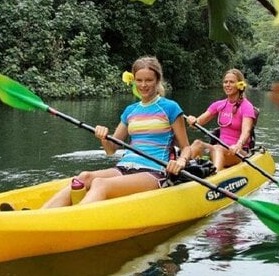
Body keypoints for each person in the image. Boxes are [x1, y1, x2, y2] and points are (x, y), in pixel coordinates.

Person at [42, 56, 191, 208]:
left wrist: (181, 161)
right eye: (139, 80)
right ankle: (40, 216)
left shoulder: (170, 108)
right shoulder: (130, 111)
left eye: (149, 80)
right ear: (134, 81)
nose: (143, 85)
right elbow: (110, 150)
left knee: (100, 184)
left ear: (157, 80)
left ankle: (71, 220)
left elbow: (186, 147)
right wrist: (103, 137)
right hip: (124, 167)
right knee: (83, 177)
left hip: (154, 171)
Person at [185, 68, 255, 171]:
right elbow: (198, 122)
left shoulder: (247, 106)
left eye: (231, 82)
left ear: (240, 85)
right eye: (225, 82)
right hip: (219, 149)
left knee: (217, 148)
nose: (227, 85)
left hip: (238, 152)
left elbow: (246, 132)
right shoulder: (219, 105)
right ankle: (182, 171)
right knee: (197, 143)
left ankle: (215, 175)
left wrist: (238, 145)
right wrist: (192, 120)